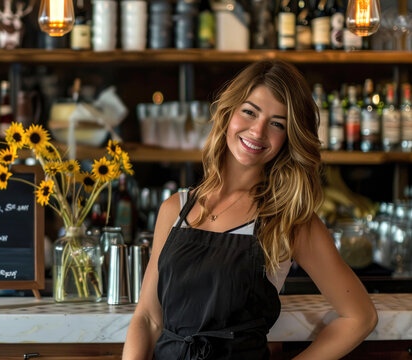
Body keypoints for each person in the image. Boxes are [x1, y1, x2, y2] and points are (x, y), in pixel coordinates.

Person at [122, 60, 377, 360]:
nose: (257, 131)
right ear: (229, 112)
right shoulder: (174, 209)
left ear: (288, 137)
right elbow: (149, 319)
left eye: (277, 123)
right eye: (250, 112)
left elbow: (360, 317)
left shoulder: (288, 219)